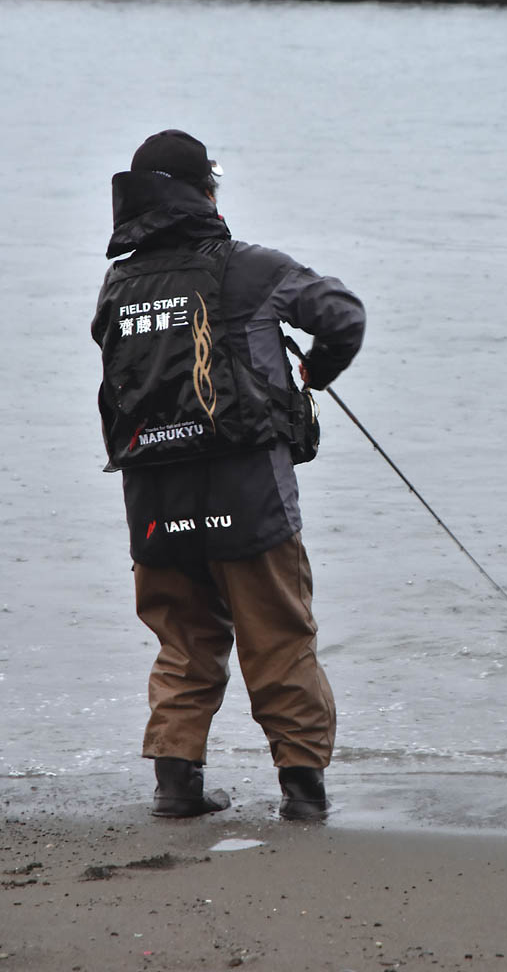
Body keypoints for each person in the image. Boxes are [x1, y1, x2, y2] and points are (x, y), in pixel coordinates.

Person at [91, 129, 365, 821]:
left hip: (151, 499)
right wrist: (319, 369)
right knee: (278, 638)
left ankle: (175, 787)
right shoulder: (253, 268)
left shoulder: (117, 284)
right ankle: (302, 795)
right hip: (250, 498)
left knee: (182, 642)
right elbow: (343, 316)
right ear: (203, 193)